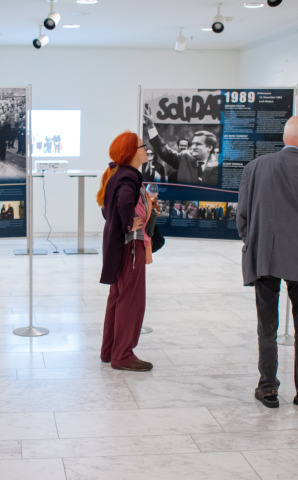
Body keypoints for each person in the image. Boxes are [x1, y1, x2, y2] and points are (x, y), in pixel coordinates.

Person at [237, 114, 298, 409]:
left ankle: (267, 388)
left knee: (266, 326)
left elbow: (242, 216)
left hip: (263, 256)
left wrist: (252, 243)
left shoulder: (254, 167)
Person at [97, 130, 155, 372]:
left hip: (116, 245)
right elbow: (122, 203)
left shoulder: (117, 175)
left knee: (118, 296)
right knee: (130, 300)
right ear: (132, 152)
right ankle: (123, 355)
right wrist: (130, 224)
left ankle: (110, 350)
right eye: (142, 146)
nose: (145, 150)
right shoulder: (129, 177)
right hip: (130, 246)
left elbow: (106, 207)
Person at [143, 115, 219, 185]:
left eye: (198, 144)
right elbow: (164, 151)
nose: (193, 147)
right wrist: (151, 126)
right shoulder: (184, 157)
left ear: (209, 147)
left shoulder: (219, 164)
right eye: (193, 144)